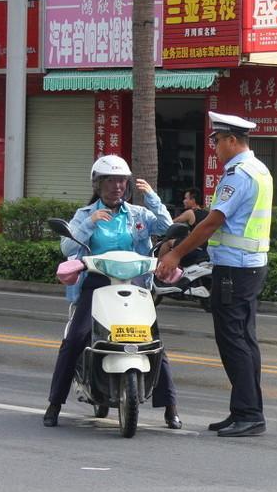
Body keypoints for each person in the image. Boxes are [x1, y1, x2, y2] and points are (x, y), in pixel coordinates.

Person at [155, 112, 272, 438]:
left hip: (234, 268)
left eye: (217, 141)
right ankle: (245, 410)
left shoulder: (237, 175)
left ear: (232, 140)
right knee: (245, 339)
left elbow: (211, 222)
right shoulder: (259, 169)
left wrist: (176, 253)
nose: (214, 148)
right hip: (250, 265)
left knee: (233, 340)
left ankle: (249, 414)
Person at [43, 155, 180, 429]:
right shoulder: (85, 215)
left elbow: (166, 227)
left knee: (153, 341)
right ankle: (54, 404)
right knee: (76, 337)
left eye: (121, 181)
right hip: (97, 285)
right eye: (110, 181)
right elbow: (68, 249)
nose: (117, 186)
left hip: (134, 285)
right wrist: (91, 222)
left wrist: (152, 197)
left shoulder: (138, 214)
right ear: (98, 184)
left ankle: (170, 407)